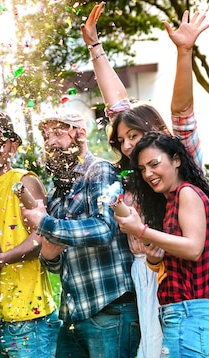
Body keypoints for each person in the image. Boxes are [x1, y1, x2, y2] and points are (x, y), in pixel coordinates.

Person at [81, 3, 209, 356]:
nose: (128, 144)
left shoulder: (180, 162)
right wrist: (95, 47)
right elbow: (118, 107)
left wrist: (183, 52)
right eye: (122, 140)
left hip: (190, 287)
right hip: (149, 280)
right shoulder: (136, 177)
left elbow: (182, 112)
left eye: (135, 135)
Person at [21, 109, 139, 357]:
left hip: (110, 308)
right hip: (74, 314)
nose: (50, 142)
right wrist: (50, 256)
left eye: (58, 132)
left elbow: (104, 228)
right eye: (45, 136)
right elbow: (56, 263)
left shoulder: (99, 171)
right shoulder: (56, 193)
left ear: (81, 133)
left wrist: (45, 224)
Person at [115, 132, 209, 357]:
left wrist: (141, 230)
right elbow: (181, 257)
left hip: (190, 314)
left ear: (176, 160)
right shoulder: (170, 201)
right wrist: (154, 259)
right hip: (181, 314)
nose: (148, 174)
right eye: (142, 169)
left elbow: (193, 248)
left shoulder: (186, 193)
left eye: (154, 164)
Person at [0, 110, 60, 357]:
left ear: (13, 146)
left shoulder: (23, 181)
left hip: (30, 318)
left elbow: (41, 238)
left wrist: (0, 260)